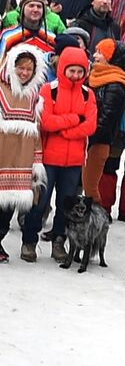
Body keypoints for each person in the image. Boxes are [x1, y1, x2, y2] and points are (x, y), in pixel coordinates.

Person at [23, 46, 95, 263]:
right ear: (63, 68)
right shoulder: (49, 89)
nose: (75, 76)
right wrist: (74, 119)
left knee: (67, 205)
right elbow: (45, 122)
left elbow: (90, 125)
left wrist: (62, 128)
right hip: (48, 159)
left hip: (73, 161)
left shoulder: (87, 94)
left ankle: (59, 241)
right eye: (72, 71)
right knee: (40, 202)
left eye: (79, 72)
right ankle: (29, 241)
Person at [0, 44, 46, 265]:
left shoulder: (35, 97)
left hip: (21, 160)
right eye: (21, 68)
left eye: (29, 69)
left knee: (7, 211)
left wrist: (37, 163)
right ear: (11, 66)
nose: (25, 73)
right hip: (2, 155)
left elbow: (36, 132)